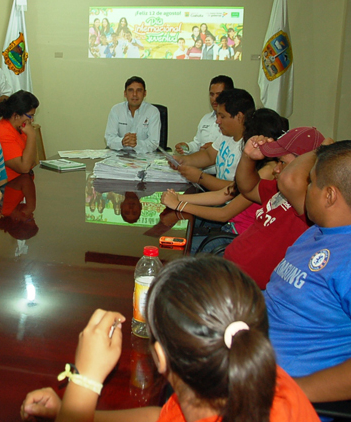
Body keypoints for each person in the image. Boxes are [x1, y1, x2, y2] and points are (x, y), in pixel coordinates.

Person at [21, 256, 320, 422]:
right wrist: (73, 412)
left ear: (160, 358)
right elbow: (162, 418)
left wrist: (84, 381)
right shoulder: (264, 378)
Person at [264, 141, 351, 408]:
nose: (305, 188)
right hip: (241, 353)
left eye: (311, 182)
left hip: (274, 395)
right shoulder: (316, 231)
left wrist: (285, 390)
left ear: (329, 196)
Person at [163, 109, 288, 252]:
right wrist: (178, 197)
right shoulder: (256, 165)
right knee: (171, 240)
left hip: (237, 240)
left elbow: (224, 214)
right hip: (228, 230)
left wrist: (180, 205)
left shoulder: (268, 171)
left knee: (174, 248)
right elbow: (222, 194)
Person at [224, 127, 326, 289]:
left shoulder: (308, 203)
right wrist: (248, 157)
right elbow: (248, 187)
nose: (276, 169)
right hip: (230, 274)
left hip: (254, 291)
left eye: (283, 162)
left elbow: (291, 179)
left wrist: (323, 153)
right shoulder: (279, 190)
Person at [171, 88, 255, 191]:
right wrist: (182, 160)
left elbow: (239, 189)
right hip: (217, 197)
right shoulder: (226, 135)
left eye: (222, 116)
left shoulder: (251, 147)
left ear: (239, 117)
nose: (217, 121)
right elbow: (209, 156)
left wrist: (200, 177)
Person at [175, 75, 234, 175]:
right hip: (202, 173)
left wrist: (216, 149)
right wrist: (187, 147)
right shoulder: (206, 118)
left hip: (221, 176)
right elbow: (197, 144)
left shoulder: (233, 122)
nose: (214, 99)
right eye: (211, 94)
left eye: (219, 94)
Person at [0, 90, 39, 181]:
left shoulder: (21, 127)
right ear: (16, 115)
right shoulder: (2, 133)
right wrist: (32, 135)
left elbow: (31, 160)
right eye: (30, 116)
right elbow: (24, 168)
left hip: (24, 182)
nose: (32, 120)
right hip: (10, 186)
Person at [104, 76, 160, 154]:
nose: (134, 94)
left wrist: (137, 144)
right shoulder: (116, 110)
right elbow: (109, 139)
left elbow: (154, 143)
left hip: (144, 157)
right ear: (125, 94)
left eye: (139, 91)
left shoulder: (153, 112)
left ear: (145, 93)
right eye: (130, 90)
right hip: (119, 158)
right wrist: (122, 141)